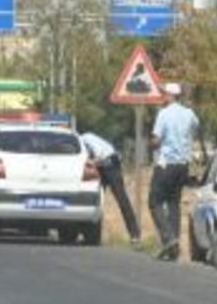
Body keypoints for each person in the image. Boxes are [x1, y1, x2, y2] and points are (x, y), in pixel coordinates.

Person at [149, 82, 199, 261]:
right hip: (183, 165)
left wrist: (154, 144)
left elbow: (156, 139)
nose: (163, 97)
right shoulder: (189, 114)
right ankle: (174, 246)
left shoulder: (164, 114)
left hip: (167, 163)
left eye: (164, 94)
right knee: (173, 203)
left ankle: (168, 237)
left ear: (170, 95)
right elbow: (195, 129)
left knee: (154, 201)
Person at [81, 132, 141, 246]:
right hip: (103, 167)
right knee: (96, 201)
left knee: (122, 199)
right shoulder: (86, 139)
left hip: (110, 165)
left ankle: (135, 234)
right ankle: (91, 235)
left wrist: (89, 163)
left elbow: (99, 155)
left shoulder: (86, 139)